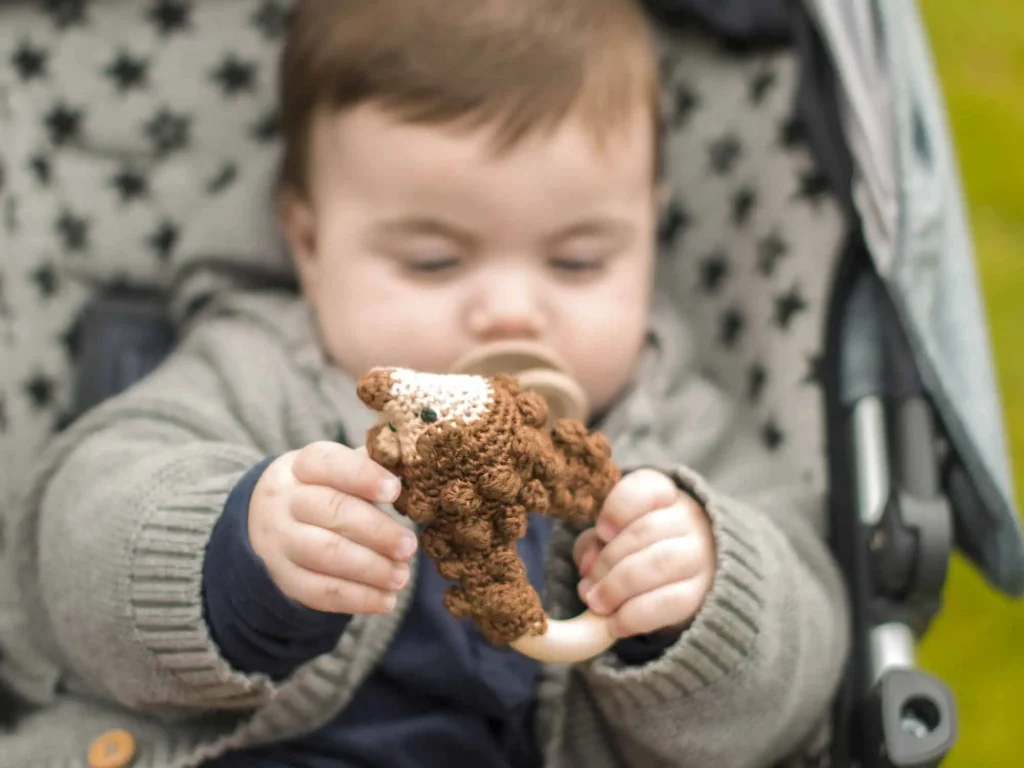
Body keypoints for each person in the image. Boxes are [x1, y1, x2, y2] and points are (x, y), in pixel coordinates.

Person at [6, 0, 849, 765]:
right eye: (434, 260)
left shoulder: (676, 430)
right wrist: (231, 555)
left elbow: (810, 659)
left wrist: (705, 599)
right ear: (306, 240)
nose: (512, 313)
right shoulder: (260, 374)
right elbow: (72, 534)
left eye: (579, 260)